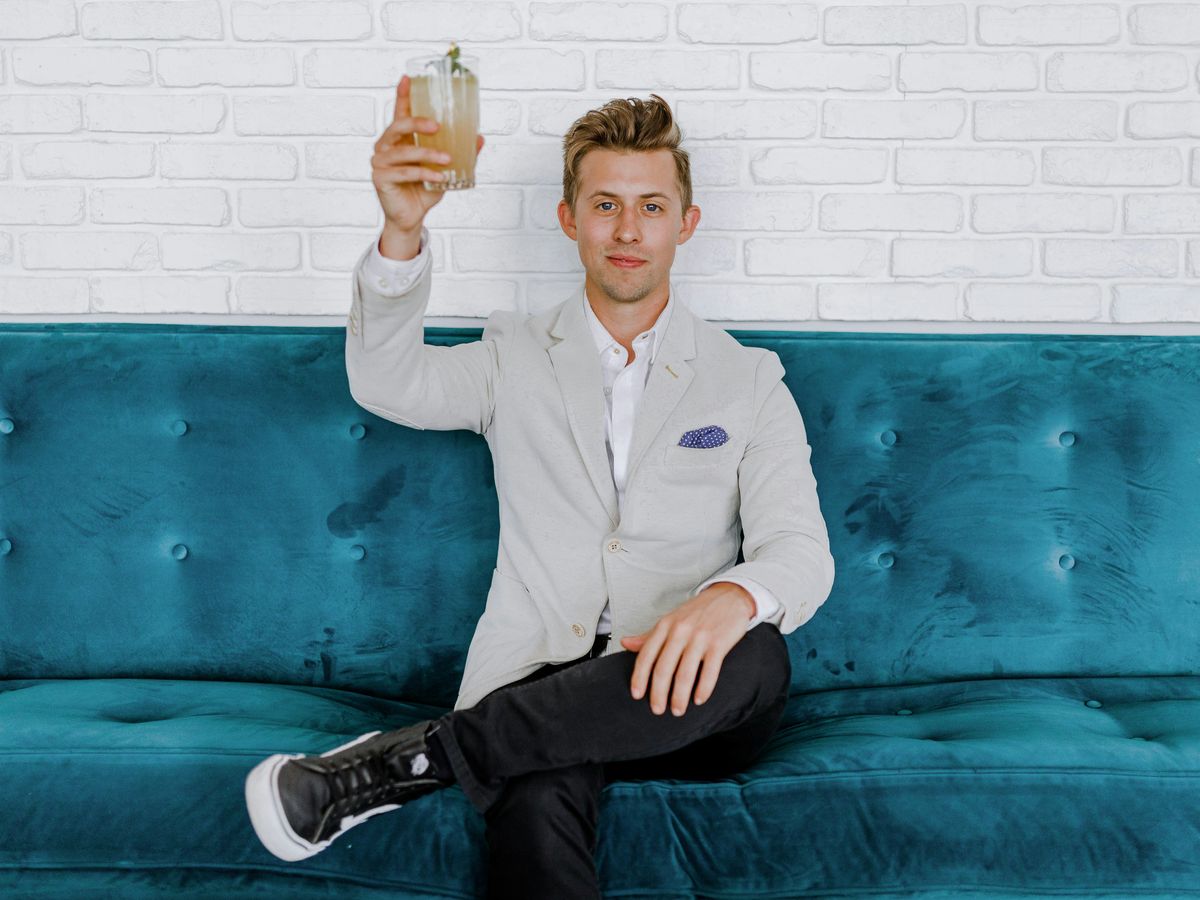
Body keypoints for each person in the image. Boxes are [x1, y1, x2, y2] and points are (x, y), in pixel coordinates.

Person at [244, 76, 836, 899]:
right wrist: (401, 232)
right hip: (537, 685)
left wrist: (729, 599)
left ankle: (406, 763)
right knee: (536, 775)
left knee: (760, 649)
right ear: (568, 219)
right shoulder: (511, 354)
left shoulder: (750, 379)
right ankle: (464, 748)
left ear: (686, 224)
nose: (627, 230)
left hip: (691, 700)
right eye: (604, 205)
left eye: (652, 207)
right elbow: (389, 381)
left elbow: (800, 551)